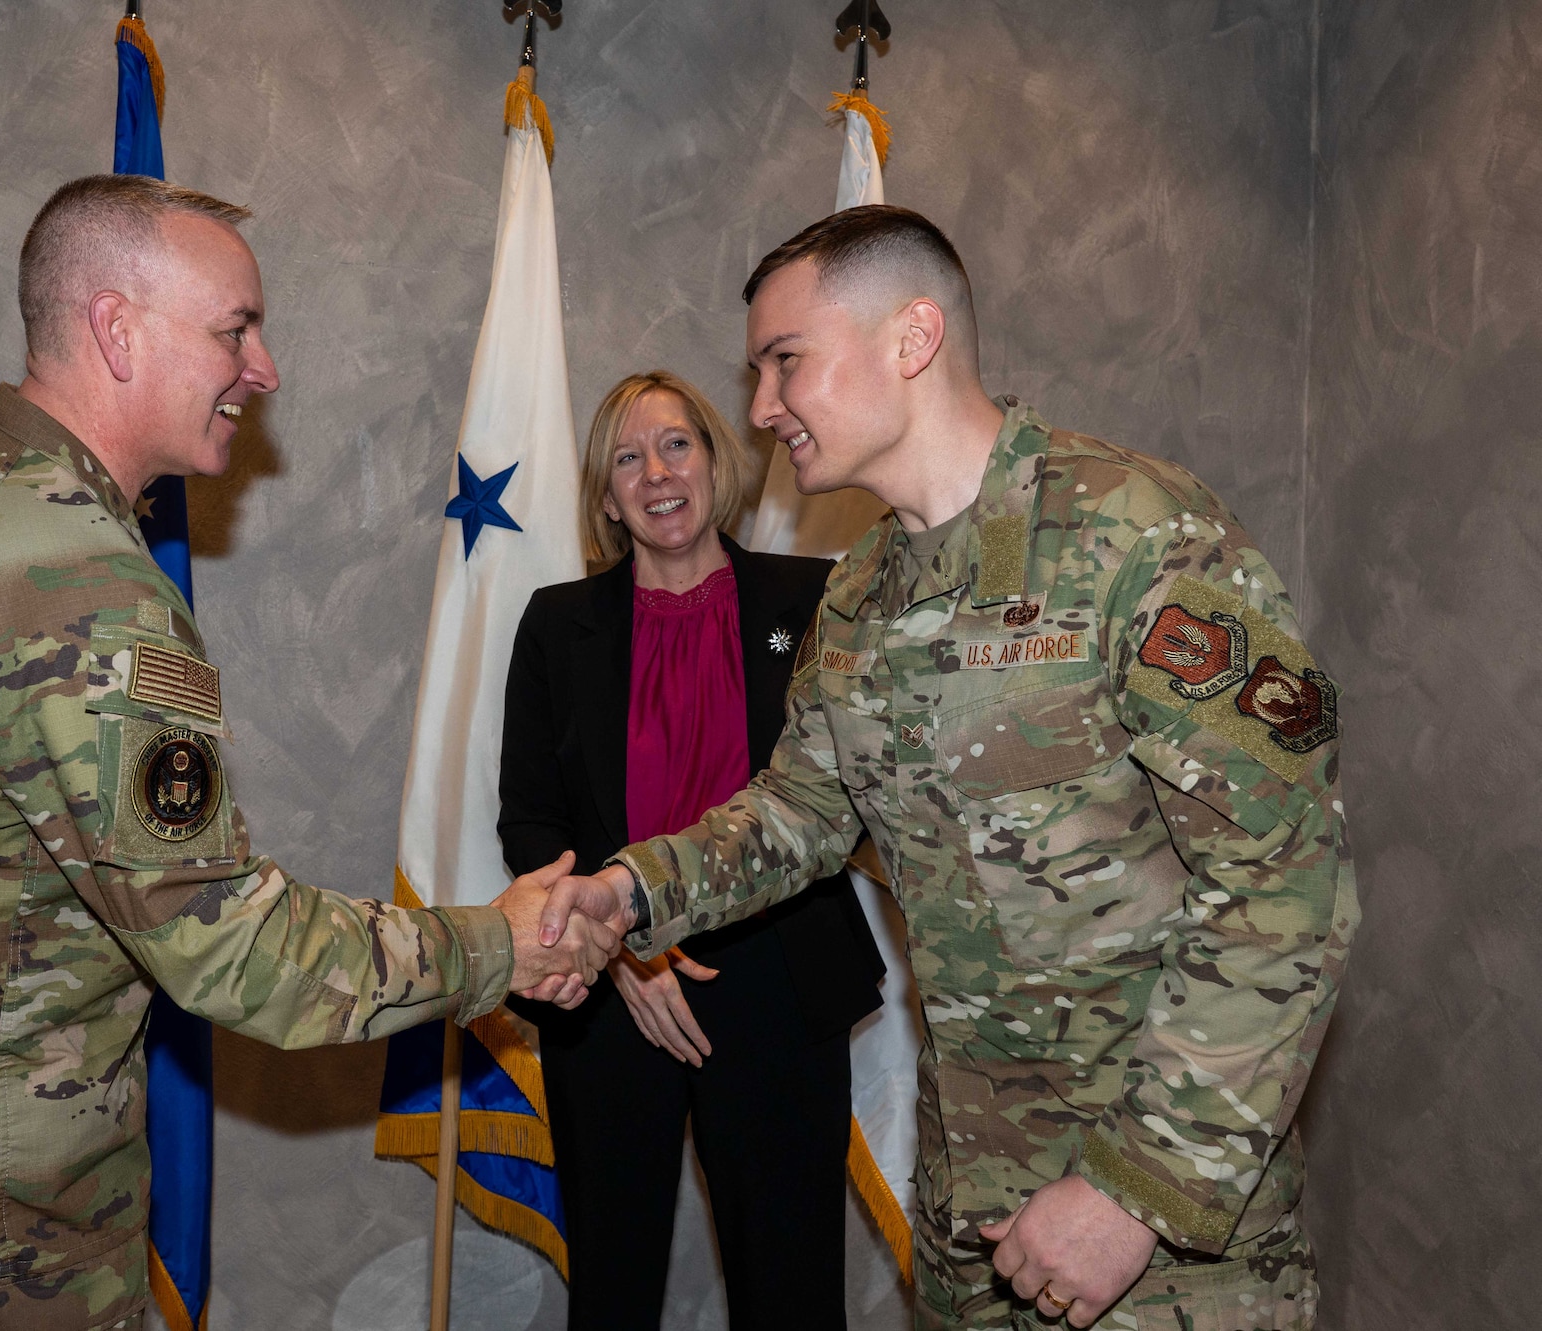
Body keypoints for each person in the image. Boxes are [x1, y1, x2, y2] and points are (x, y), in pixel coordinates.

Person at [0, 174, 620, 1331]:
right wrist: (498, 944)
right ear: (117, 331)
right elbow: (231, 948)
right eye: (235, 329)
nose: (264, 370)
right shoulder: (69, 578)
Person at [546, 206, 1358, 1330]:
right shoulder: (860, 589)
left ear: (909, 338)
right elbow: (796, 814)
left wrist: (1133, 1193)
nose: (759, 408)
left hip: (1162, 1247)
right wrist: (629, 890)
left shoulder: (1138, 537)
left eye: (784, 362)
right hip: (972, 1223)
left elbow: (1285, 888)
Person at [499, 372, 885, 1329]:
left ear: (717, 460)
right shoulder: (556, 622)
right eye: (626, 458)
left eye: (676, 444)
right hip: (608, 988)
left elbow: (852, 796)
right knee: (614, 1287)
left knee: (790, 1289)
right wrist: (627, 947)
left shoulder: (822, 596)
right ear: (603, 496)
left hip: (780, 980)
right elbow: (530, 820)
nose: (656, 472)